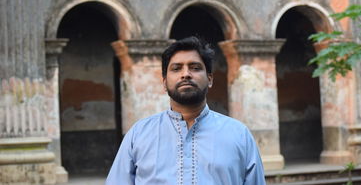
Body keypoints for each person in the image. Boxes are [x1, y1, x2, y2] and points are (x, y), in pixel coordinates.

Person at [106, 36, 266, 185]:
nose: (186, 74)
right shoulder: (139, 135)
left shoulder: (239, 135)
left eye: (195, 68)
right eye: (176, 69)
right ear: (164, 82)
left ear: (209, 79)